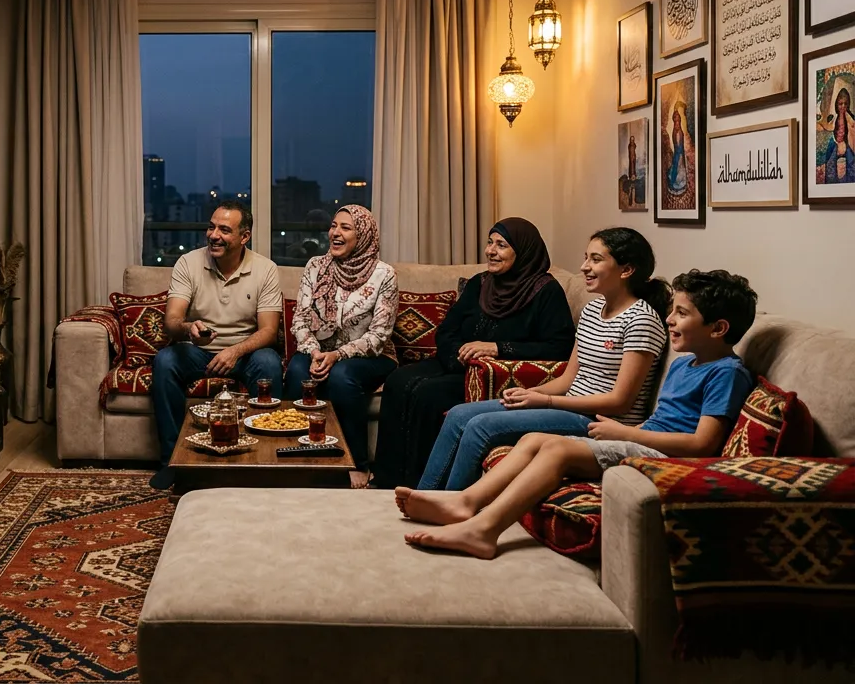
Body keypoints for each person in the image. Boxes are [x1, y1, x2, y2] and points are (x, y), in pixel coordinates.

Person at [400, 269, 757, 559]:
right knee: (533, 439)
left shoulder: (726, 373)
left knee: (557, 449)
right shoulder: (684, 364)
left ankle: (483, 530)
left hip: (667, 460)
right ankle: (465, 502)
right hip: (645, 443)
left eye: (682, 313)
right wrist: (623, 430)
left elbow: (703, 444)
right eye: (673, 310)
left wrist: (626, 433)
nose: (670, 319)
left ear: (718, 328)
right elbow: (660, 419)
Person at [406, 227, 669, 496]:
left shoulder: (641, 320)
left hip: (600, 422)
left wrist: (547, 401)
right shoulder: (592, 310)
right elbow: (568, 379)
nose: (584, 267)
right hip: (570, 408)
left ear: (626, 270)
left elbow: (620, 401)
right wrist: (530, 394)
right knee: (459, 414)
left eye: (596, 259)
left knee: (480, 427)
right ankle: (426, 495)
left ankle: (452, 504)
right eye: (586, 258)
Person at [370, 218, 575, 490]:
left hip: (496, 376)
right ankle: (387, 481)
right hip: (458, 364)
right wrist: (457, 356)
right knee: (398, 380)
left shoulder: (546, 291)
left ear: (523, 251)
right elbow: (447, 330)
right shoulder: (480, 283)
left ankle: (423, 485)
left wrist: (498, 348)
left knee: (428, 395)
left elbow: (558, 347)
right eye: (490, 242)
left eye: (501, 245)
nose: (490, 251)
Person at [149, 201, 284, 490]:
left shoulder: (265, 269)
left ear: (244, 236)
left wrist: (235, 351)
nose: (214, 235)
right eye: (211, 227)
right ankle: (172, 462)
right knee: (165, 361)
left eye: (224, 230)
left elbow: (269, 331)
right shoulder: (188, 263)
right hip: (198, 350)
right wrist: (188, 328)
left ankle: (263, 461)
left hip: (245, 353)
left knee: (269, 362)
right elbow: (171, 321)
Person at [286, 205, 397, 489]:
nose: (335, 232)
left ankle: (356, 462)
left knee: (341, 375)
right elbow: (300, 319)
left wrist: (337, 355)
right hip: (318, 350)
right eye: (334, 225)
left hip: (371, 355)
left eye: (345, 228)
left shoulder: (384, 274)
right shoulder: (316, 266)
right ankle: (294, 456)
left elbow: (379, 336)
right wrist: (314, 352)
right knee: (297, 370)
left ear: (363, 235)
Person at [823, 86, 855, 184]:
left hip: (847, 143)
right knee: (830, 164)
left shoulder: (850, 117)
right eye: (840, 104)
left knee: (852, 163)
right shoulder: (834, 117)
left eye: (845, 103)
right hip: (835, 142)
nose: (843, 106)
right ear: (836, 104)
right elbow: (830, 128)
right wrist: (837, 143)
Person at [666, 104, 688, 195]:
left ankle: (679, 181)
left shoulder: (677, 130)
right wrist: (680, 154)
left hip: (679, 152)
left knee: (679, 166)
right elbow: (678, 145)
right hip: (678, 153)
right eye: (677, 121)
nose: (678, 123)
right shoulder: (676, 131)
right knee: (677, 166)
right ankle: (675, 182)